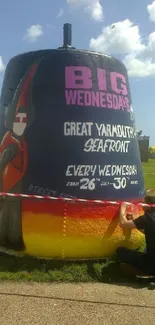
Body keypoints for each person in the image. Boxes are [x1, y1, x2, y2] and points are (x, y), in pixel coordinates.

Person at [116, 196, 155, 275]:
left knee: (120, 251)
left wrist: (123, 207)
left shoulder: (148, 218)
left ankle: (145, 273)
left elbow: (123, 224)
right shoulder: (148, 219)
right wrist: (135, 221)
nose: (142, 207)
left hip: (152, 265)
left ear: (148, 206)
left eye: (143, 205)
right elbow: (148, 231)